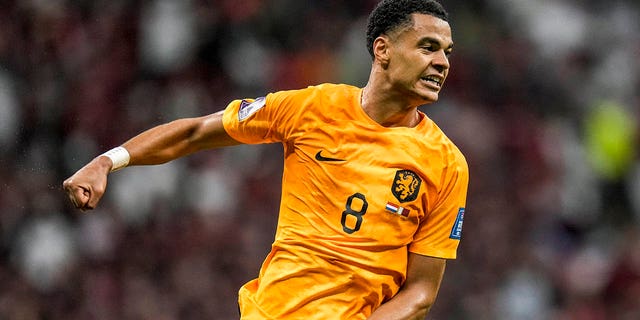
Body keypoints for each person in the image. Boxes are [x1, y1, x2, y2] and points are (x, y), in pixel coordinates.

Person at [63, 0, 468, 318]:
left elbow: (420, 294)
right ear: (383, 50)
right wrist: (107, 161)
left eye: (447, 52)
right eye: (428, 47)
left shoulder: (446, 164)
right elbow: (195, 132)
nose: (442, 62)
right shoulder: (311, 107)